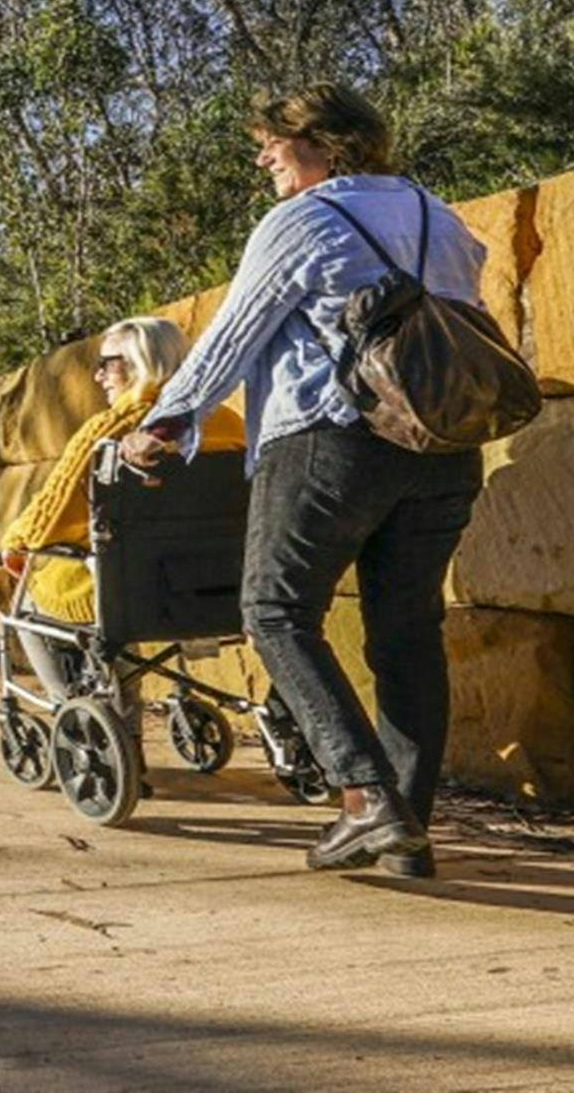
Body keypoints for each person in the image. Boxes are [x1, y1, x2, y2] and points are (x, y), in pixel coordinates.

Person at [121, 83, 486, 878]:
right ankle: (407, 833)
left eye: (272, 142)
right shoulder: (442, 216)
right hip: (444, 444)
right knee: (406, 632)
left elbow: (233, 335)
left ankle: (363, 800)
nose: (263, 157)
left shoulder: (303, 220)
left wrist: (166, 422)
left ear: (324, 144)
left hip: (331, 438)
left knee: (276, 610)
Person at [2, 315, 245, 709]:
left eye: (107, 363)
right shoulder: (230, 424)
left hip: (126, 589)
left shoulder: (113, 430)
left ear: (140, 363)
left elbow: (48, 519)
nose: (98, 377)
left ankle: (77, 710)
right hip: (212, 583)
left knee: (31, 599)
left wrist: (14, 545)